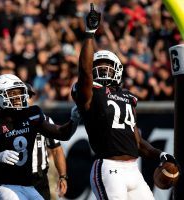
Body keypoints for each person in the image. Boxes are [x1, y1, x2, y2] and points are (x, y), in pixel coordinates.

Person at [70, 3, 179, 200]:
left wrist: (159, 155)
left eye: (107, 66)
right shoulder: (90, 93)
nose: (103, 70)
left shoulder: (128, 97)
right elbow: (85, 72)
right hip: (109, 168)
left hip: (133, 169)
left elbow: (136, 141)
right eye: (98, 66)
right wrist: (89, 34)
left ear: (118, 70)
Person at [0, 74, 79, 200]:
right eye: (13, 93)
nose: (19, 97)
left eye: (20, 93)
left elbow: (62, 134)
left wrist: (74, 120)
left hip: (30, 185)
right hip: (5, 185)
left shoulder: (32, 115)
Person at [26, 83, 67, 200]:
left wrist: (63, 177)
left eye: (29, 96)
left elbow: (56, 150)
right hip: (15, 178)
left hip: (39, 178)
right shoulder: (8, 122)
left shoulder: (44, 119)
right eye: (24, 96)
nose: (27, 100)